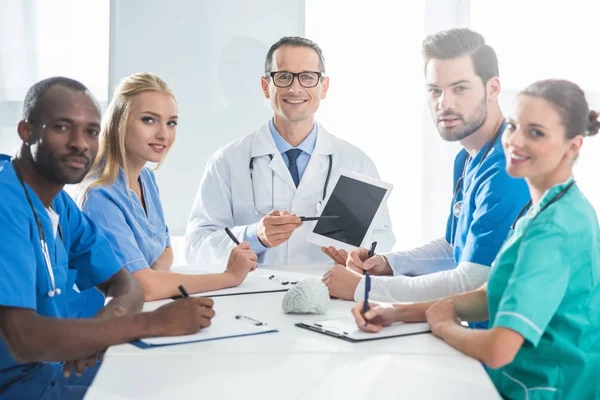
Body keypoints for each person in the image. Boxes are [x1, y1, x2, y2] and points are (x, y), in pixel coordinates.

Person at [352, 79, 600, 400]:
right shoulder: (548, 207)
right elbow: (490, 295)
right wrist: (396, 312)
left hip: (545, 388)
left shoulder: (556, 229)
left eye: (536, 132)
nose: (515, 141)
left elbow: (499, 349)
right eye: (513, 126)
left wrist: (443, 325)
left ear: (573, 146)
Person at [0, 77, 216, 400]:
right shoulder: (7, 205)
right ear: (26, 131)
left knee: (188, 375)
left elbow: (125, 284)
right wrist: (149, 324)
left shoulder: (60, 204)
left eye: (90, 131)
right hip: (17, 386)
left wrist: (99, 331)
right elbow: (24, 339)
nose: (80, 143)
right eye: (62, 127)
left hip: (55, 369)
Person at [322, 29, 529, 311]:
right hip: (482, 332)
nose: (445, 103)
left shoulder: (508, 166)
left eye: (460, 88)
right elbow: (453, 247)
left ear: (493, 89)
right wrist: (388, 264)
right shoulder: (465, 159)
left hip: (525, 345)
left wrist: (364, 288)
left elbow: (471, 280)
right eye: (435, 90)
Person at [184, 36, 395, 268]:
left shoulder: (355, 162)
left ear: (323, 87)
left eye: (307, 77)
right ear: (266, 87)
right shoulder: (227, 162)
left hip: (330, 295)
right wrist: (254, 235)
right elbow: (196, 247)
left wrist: (361, 255)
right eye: (284, 77)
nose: (295, 88)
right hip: (252, 295)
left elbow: (382, 237)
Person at [76, 72, 257, 302]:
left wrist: (153, 277)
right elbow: (142, 287)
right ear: (119, 121)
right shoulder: (100, 195)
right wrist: (229, 276)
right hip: (105, 322)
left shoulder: (146, 179)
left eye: (171, 123)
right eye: (149, 120)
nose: (164, 134)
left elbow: (166, 251)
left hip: (143, 311)